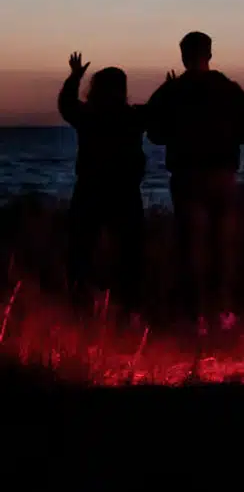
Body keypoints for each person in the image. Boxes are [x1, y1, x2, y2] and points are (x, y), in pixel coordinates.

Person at [144, 32, 244, 332]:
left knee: (192, 244)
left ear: (183, 54)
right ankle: (223, 311)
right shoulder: (229, 89)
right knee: (223, 243)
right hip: (222, 174)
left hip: (187, 175)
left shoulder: (173, 92)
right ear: (209, 54)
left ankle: (196, 314)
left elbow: (154, 131)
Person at [58, 53, 148, 314]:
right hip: (124, 192)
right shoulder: (132, 117)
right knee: (129, 254)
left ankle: (80, 306)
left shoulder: (89, 115)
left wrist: (74, 76)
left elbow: (66, 104)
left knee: (81, 252)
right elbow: (159, 113)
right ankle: (128, 310)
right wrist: (170, 86)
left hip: (91, 189)